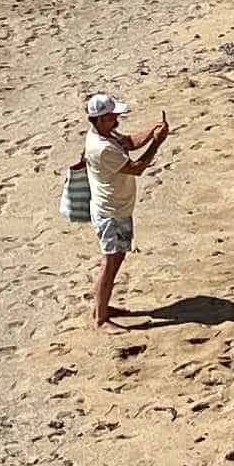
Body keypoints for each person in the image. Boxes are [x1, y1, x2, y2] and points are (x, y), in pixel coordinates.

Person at [78, 90, 168, 326]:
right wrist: (156, 144)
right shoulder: (102, 147)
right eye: (112, 116)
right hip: (111, 213)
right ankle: (100, 318)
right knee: (110, 262)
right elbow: (136, 168)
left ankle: (102, 306)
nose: (116, 119)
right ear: (99, 119)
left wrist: (150, 132)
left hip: (117, 208)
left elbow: (128, 142)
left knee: (114, 259)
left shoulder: (107, 135)